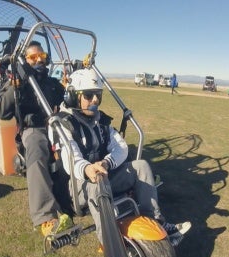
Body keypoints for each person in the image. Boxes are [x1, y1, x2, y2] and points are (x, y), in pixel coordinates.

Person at [48, 68, 191, 246]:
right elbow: (71, 156)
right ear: (72, 96)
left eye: (98, 95)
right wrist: (87, 168)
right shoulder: (60, 124)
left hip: (103, 175)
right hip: (76, 186)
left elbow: (121, 146)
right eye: (89, 95)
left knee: (141, 166)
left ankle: (156, 223)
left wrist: (107, 162)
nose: (95, 100)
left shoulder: (100, 122)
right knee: (97, 184)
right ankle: (112, 247)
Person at [0, 41, 74, 236]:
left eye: (42, 57)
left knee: (76, 140)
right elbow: (1, 112)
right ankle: (45, 216)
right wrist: (15, 86)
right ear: (25, 60)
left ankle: (78, 196)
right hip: (32, 130)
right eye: (33, 57)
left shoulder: (51, 83)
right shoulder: (17, 82)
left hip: (53, 126)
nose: (39, 60)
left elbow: (68, 100)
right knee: (38, 148)